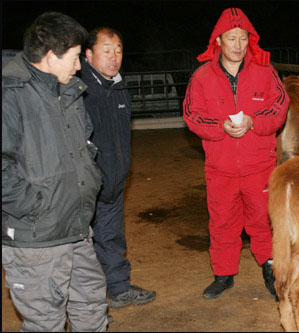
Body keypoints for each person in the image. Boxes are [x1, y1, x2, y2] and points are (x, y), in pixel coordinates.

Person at [2, 12, 108, 331]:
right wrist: (37, 208)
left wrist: (87, 177)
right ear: (51, 56)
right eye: (75, 57)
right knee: (45, 320)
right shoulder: (11, 96)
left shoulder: (68, 91)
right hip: (37, 238)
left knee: (91, 305)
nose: (79, 66)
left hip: (75, 227)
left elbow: (84, 141)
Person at [183, 7, 290, 299]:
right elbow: (192, 114)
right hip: (221, 166)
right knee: (222, 221)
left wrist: (255, 122)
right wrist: (220, 127)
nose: (238, 45)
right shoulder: (202, 77)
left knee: (264, 219)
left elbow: (279, 107)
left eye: (243, 38)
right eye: (231, 39)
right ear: (218, 41)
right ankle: (223, 274)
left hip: (259, 165)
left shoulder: (266, 72)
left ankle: (271, 268)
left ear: (249, 40)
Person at [80, 27, 156, 309]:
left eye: (119, 50)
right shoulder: (80, 90)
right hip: (86, 187)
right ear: (88, 55)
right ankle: (90, 307)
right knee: (83, 250)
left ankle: (120, 289)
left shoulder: (120, 89)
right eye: (106, 50)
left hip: (113, 183)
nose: (114, 57)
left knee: (111, 239)